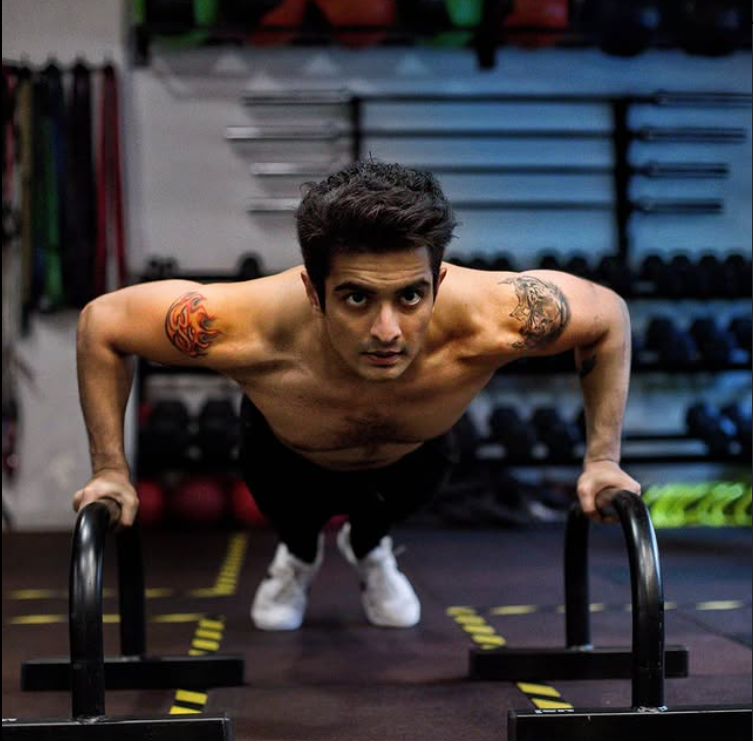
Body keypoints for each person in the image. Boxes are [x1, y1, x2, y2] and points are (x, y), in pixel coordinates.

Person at [73, 161, 641, 632]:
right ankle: (298, 554)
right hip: (285, 458)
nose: (387, 330)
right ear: (313, 290)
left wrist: (603, 460)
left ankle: (370, 546)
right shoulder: (241, 325)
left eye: (411, 296)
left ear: (439, 282)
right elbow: (103, 324)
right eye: (356, 298)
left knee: (393, 505)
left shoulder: (498, 315)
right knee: (295, 523)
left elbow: (607, 315)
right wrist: (110, 470)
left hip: (417, 458)